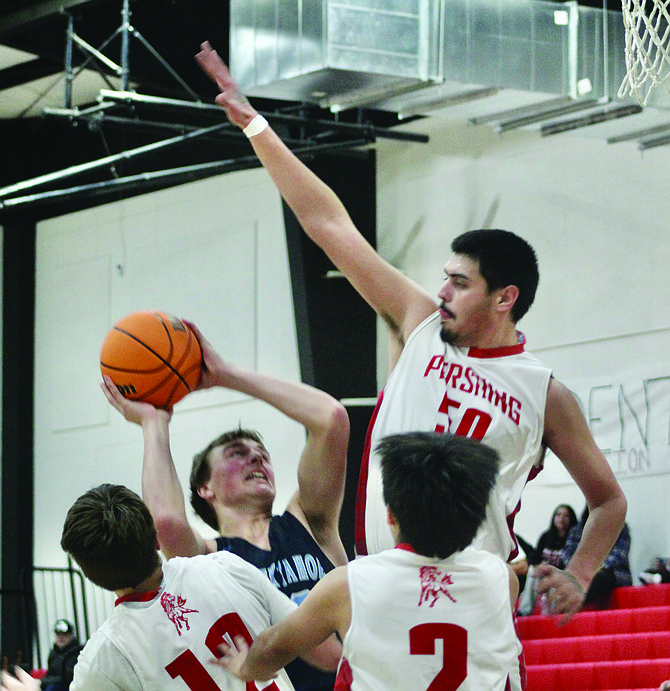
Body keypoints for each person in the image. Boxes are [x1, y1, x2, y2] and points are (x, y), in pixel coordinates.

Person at [194, 41, 627, 620]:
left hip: (470, 596)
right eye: (443, 278)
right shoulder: (419, 321)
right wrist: (257, 127)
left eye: (460, 283)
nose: (442, 291)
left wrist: (580, 573)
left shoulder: (545, 393)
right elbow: (328, 224)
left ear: (505, 299)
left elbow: (608, 500)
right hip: (383, 586)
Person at [101, 321, 349, 691]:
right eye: (238, 453)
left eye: (262, 455)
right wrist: (153, 424)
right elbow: (166, 522)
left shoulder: (311, 521)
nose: (257, 460)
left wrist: (225, 375)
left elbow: (331, 419)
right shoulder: (207, 562)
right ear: (205, 488)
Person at [212, 431, 522, 690]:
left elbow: (273, 648)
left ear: (390, 514)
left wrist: (244, 666)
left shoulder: (349, 583)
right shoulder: (502, 579)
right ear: (477, 515)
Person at [56, 483, 340, 691]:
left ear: (92, 576)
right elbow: (317, 645)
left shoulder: (105, 656)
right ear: (156, 540)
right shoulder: (226, 566)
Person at [559, 506, 632, 608]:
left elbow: (619, 554)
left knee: (597, 578)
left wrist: (594, 568)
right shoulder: (578, 528)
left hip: (613, 573)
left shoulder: (620, 526)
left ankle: (572, 605)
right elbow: (567, 553)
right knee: (562, 577)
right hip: (582, 571)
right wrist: (579, 568)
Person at [516, 504, 577, 616]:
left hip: (562, 575)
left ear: (571, 519)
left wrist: (552, 568)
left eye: (566, 516)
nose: (561, 519)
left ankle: (554, 613)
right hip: (544, 573)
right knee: (532, 571)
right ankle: (524, 611)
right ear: (554, 517)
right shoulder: (546, 536)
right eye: (558, 515)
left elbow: (572, 563)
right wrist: (539, 564)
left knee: (552, 577)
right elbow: (536, 556)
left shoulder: (573, 538)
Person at [40, 619, 83, 691]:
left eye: (65, 635)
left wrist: (43, 681)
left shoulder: (76, 653)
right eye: (58, 634)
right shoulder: (53, 654)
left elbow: (69, 678)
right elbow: (50, 674)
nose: (61, 637)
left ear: (71, 635)